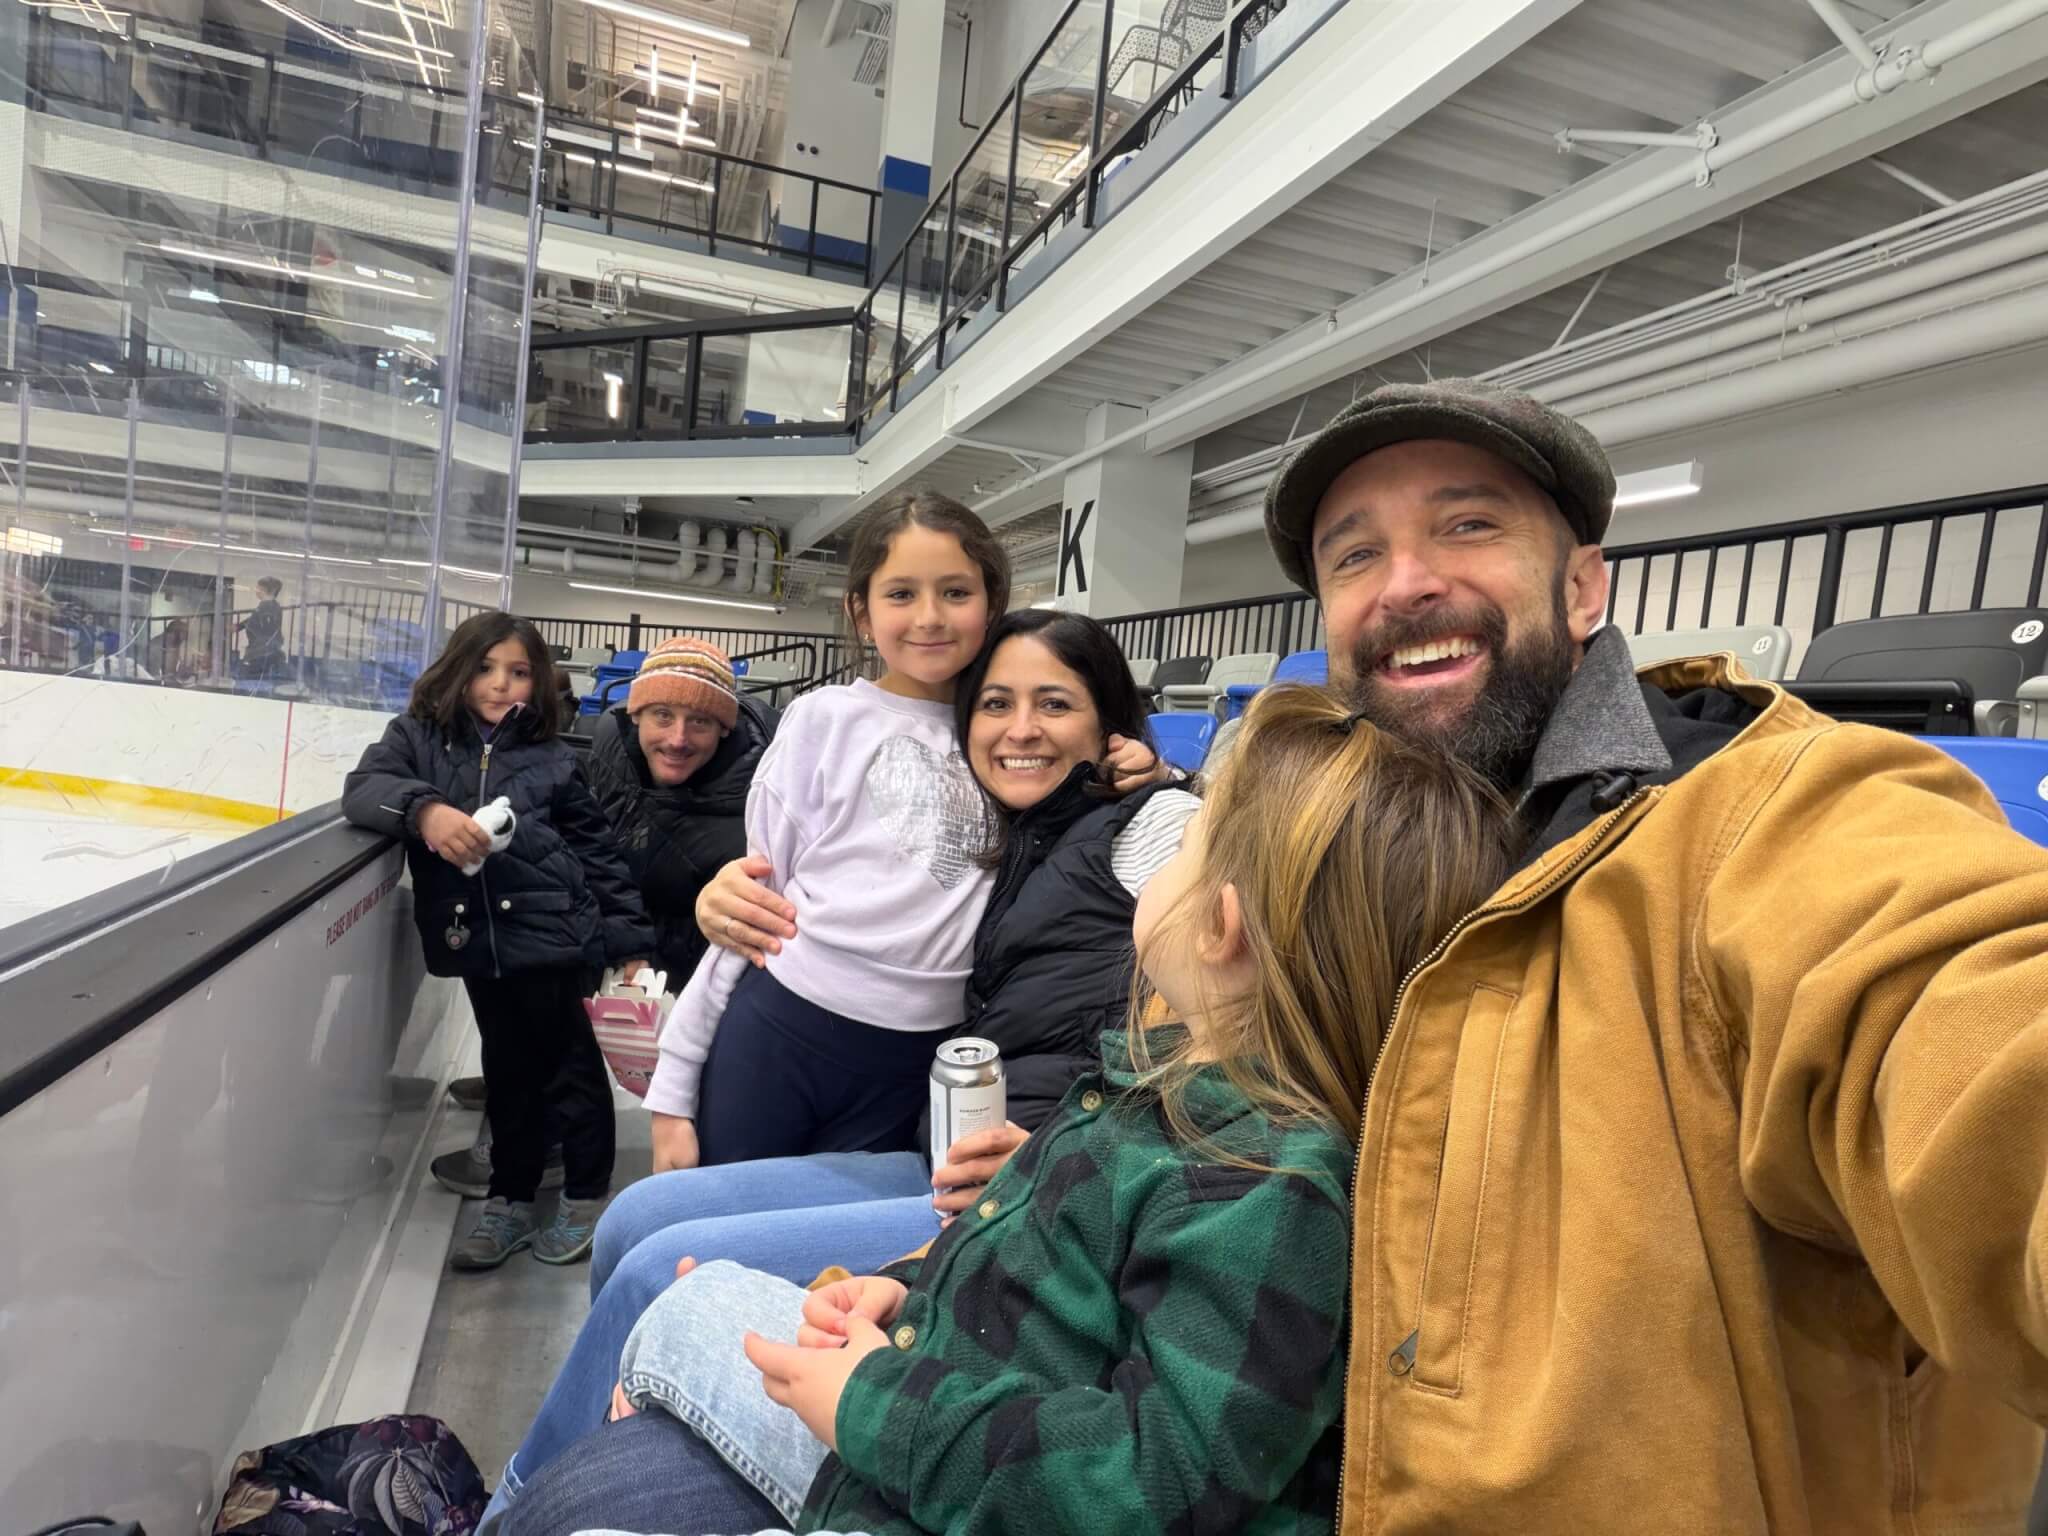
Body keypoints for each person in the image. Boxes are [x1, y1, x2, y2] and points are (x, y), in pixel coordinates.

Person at [1243, 377, 2048, 1532]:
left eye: (1466, 524)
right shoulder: (1341, 848)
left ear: (1582, 590)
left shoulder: (1773, 818)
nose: (1405, 581)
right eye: (1353, 555)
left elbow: (1956, 1018)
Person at [496, 686, 1518, 1536]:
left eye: (1189, 841)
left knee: (668, 1326)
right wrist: (906, 1291)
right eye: (996, 703)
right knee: (685, 1294)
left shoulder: (1259, 1186)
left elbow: (1164, 1480)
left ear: (1221, 926)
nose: (1020, 728)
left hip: (931, 1459)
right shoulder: (1160, 1091)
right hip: (948, 1394)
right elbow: (1027, 1265)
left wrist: (879, 1404)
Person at [476, 610, 1191, 1527]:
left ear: (1110, 725)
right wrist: (724, 897)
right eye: (997, 704)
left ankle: (512, 1510)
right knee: (633, 1220)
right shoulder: (1008, 831)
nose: (1021, 729)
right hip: (943, 1158)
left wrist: (1179, 781)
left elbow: (1236, 988)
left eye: (1055, 705)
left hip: (1031, 1189)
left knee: (656, 1271)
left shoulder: (1150, 823)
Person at [639, 492, 1012, 1173]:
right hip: (781, 1027)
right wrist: (672, 1091)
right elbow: (752, 914)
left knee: (838, 1241)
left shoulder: (1009, 737)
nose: (930, 616)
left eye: (956, 592)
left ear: (992, 604)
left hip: (922, 1058)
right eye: (901, 593)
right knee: (724, 1225)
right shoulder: (822, 719)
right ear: (861, 612)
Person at [343, 611, 655, 1271]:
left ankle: (585, 1196)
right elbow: (364, 790)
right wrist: (426, 811)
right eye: (486, 668)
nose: (500, 683)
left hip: (555, 936)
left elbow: (598, 854)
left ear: (537, 681)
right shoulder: (417, 738)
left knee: (570, 1074)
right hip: (481, 946)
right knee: (510, 1076)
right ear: (458, 668)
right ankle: (510, 1198)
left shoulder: (552, 757)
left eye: (518, 671)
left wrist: (628, 943)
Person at [585, 636, 777, 982]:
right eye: (662, 715)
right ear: (635, 715)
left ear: (724, 728)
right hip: (607, 963)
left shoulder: (764, 800)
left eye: (699, 721)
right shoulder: (610, 745)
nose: (678, 739)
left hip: (698, 983)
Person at [238, 575, 286, 681]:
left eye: (258, 587)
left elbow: (268, 632)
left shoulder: (268, 608)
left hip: (260, 653)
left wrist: (254, 652)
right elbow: (253, 620)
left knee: (253, 679)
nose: (256, 590)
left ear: (264, 590)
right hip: (261, 650)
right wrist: (239, 626)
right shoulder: (268, 606)